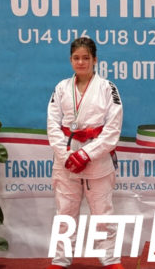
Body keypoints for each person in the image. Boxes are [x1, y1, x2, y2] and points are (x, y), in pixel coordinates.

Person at [47, 38, 124, 269]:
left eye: (86, 58)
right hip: (66, 158)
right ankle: (60, 259)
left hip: (97, 159)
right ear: (70, 60)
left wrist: (86, 155)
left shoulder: (108, 88)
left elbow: (113, 129)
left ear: (95, 60)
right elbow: (52, 125)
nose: (81, 62)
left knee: (103, 214)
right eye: (76, 58)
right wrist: (67, 156)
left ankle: (110, 259)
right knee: (65, 213)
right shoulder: (61, 88)